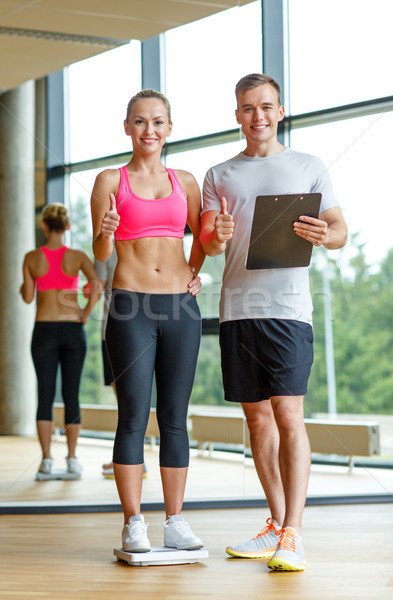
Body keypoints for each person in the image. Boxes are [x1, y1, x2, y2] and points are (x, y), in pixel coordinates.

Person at [200, 73, 348, 571]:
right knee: (257, 418)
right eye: (247, 108)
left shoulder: (308, 166)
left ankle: (295, 534)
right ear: (237, 114)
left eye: (266, 106)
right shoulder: (218, 174)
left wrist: (326, 235)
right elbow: (208, 244)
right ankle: (277, 525)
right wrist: (216, 234)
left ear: (280, 111)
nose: (257, 116)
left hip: (287, 310)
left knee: (288, 412)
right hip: (238, 309)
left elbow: (341, 229)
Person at [91, 89, 205, 553]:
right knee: (133, 416)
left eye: (158, 122)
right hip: (129, 306)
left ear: (170, 129)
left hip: (180, 306)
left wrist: (196, 272)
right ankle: (133, 521)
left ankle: (175, 521)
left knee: (175, 418)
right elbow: (101, 254)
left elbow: (203, 238)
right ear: (127, 127)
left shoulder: (186, 181)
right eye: (140, 122)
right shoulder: (108, 180)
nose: (149, 130)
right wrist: (105, 232)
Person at [20, 203, 101, 478]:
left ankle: (45, 461)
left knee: (45, 395)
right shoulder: (77, 257)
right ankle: (72, 458)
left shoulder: (31, 258)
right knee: (71, 395)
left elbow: (29, 297)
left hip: (43, 329)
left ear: (44, 226)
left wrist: (25, 285)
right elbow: (97, 286)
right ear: (66, 226)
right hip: (71, 330)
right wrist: (86, 313)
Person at [92, 248, 147, 480]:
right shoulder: (139, 241)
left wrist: (84, 312)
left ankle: (132, 461)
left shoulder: (105, 248)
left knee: (127, 404)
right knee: (132, 402)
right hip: (143, 329)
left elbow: (97, 287)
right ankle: (132, 460)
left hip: (115, 331)